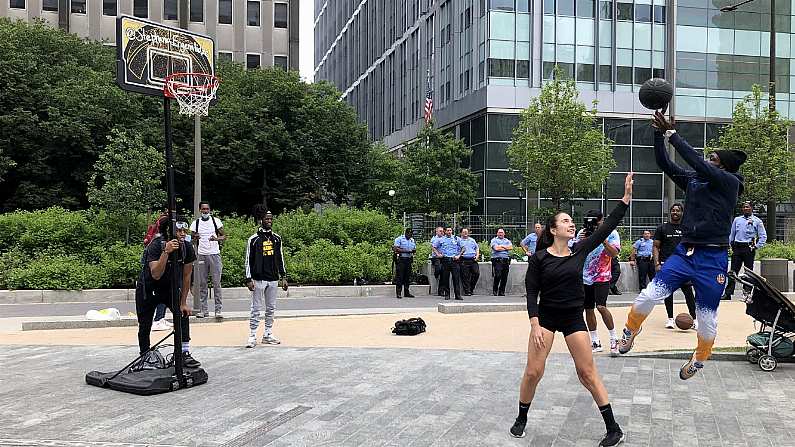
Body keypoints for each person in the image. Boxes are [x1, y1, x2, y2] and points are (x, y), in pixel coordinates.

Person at [619, 111, 746, 381]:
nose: (707, 160)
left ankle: (699, 358)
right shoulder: (695, 182)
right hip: (685, 253)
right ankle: (631, 330)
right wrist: (657, 134)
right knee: (648, 295)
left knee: (707, 321)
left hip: (713, 259)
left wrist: (672, 134)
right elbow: (664, 163)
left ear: (722, 167)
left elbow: (699, 164)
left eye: (713, 158)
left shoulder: (730, 183)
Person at [510, 173, 633, 445]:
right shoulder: (539, 258)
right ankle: (521, 417)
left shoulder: (579, 250)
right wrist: (533, 324)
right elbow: (532, 292)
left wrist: (624, 200)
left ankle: (614, 429)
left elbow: (606, 227)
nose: (571, 223)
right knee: (533, 371)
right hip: (545, 318)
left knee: (587, 373)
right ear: (553, 230)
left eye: (571, 220)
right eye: (565, 220)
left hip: (572, 317)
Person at [135, 216, 200, 368]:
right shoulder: (156, 245)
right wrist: (166, 252)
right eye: (179, 231)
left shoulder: (187, 247)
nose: (183, 234)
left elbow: (186, 276)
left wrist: (183, 302)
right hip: (149, 288)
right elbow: (155, 274)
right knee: (144, 324)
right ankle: (144, 354)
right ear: (170, 232)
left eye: (185, 230)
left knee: (182, 313)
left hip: (169, 288)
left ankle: (184, 353)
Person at [577, 210, 621, 356]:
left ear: (602, 221)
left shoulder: (612, 233)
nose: (594, 224)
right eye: (591, 221)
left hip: (602, 275)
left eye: (596, 221)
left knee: (601, 306)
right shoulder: (582, 233)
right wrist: (582, 240)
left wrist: (602, 238)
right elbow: (575, 251)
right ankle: (595, 341)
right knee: (588, 309)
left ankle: (614, 339)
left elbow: (614, 254)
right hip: (585, 276)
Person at [244, 206, 288, 348]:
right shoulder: (254, 239)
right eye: (266, 218)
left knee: (271, 308)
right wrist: (248, 278)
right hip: (258, 278)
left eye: (270, 218)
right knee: (256, 308)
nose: (269, 221)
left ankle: (268, 333)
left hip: (273, 278)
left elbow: (280, 257)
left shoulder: (277, 238)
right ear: (261, 220)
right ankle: (252, 335)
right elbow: (248, 259)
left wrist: (284, 276)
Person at [654, 203, 697, 329]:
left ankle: (695, 319)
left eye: (678, 210)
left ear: (682, 213)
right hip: (666, 265)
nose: (675, 212)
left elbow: (693, 247)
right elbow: (656, 246)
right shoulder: (662, 228)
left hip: (683, 266)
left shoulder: (687, 229)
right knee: (668, 293)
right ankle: (670, 319)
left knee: (688, 292)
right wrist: (657, 264)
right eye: (673, 210)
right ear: (670, 212)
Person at [722, 201, 767, 301]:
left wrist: (756, 246)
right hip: (737, 248)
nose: (745, 209)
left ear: (751, 208)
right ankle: (728, 293)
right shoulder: (737, 220)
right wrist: (729, 245)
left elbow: (763, 236)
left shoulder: (757, 221)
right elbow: (732, 234)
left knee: (748, 272)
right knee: (733, 272)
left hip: (748, 248)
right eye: (744, 207)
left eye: (747, 207)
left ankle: (746, 293)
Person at [190, 201, 226, 319]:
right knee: (202, 284)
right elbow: (192, 239)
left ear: (210, 210)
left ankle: (218, 310)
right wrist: (195, 237)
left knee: (216, 283)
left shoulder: (216, 221)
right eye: (203, 209)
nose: (205, 211)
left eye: (207, 209)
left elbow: (224, 236)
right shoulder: (196, 223)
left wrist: (216, 239)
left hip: (215, 255)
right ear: (200, 210)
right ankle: (203, 310)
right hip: (201, 255)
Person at [432, 226, 463, 300]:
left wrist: (459, 255)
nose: (449, 232)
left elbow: (463, 247)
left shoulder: (456, 238)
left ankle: (457, 295)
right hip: (445, 260)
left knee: (456, 278)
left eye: (450, 230)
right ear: (445, 231)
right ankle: (447, 294)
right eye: (448, 230)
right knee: (446, 278)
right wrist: (438, 254)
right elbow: (433, 247)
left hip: (454, 260)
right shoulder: (441, 239)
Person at [393, 228, 416, 299]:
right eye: (409, 234)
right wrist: (406, 251)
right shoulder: (399, 239)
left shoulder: (412, 240)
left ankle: (407, 292)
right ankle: (399, 293)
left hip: (409, 260)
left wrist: (413, 251)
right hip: (401, 259)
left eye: (411, 234)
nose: (410, 235)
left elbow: (414, 248)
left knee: (407, 277)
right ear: (406, 233)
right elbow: (395, 248)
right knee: (400, 276)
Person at [490, 228, 513, 296]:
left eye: (502, 232)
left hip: (506, 260)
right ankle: (495, 290)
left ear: (504, 233)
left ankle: (501, 291)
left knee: (504, 277)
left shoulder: (507, 240)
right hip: (497, 260)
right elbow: (496, 248)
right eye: (499, 232)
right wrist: (506, 247)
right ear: (497, 233)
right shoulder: (494, 240)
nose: (500, 234)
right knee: (498, 275)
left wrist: (502, 246)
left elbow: (511, 247)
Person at [458, 228, 480, 296]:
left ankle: (471, 288)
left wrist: (477, 255)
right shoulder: (458, 241)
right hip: (464, 259)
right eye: (464, 232)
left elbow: (477, 248)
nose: (465, 233)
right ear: (461, 233)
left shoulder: (472, 240)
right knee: (465, 276)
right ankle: (467, 291)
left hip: (473, 259)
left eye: (466, 232)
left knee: (476, 273)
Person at [429, 227, 445, 296]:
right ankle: (436, 274)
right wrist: (438, 254)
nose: (442, 232)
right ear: (436, 232)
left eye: (442, 231)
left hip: (443, 257)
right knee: (438, 268)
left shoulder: (444, 238)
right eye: (440, 231)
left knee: (443, 272)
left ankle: (441, 291)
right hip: (436, 257)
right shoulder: (434, 239)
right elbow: (433, 247)